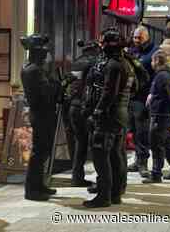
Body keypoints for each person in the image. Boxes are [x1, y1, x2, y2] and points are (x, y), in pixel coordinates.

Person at [83, 28, 135, 208]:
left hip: (108, 115)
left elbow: (108, 93)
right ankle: (115, 193)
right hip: (120, 114)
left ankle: (104, 195)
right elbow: (133, 87)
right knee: (115, 155)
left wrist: (97, 112)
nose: (101, 46)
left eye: (103, 43)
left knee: (101, 155)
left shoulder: (113, 65)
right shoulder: (126, 64)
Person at [20, 34, 59, 201]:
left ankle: (39, 185)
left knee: (43, 152)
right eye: (43, 52)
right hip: (42, 113)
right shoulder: (33, 70)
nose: (46, 55)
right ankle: (32, 190)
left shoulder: (35, 68)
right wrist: (58, 85)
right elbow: (46, 92)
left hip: (43, 113)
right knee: (39, 152)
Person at [143, 50, 170, 183]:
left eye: (153, 61)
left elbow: (169, 96)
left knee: (156, 144)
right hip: (164, 114)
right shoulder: (165, 75)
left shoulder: (162, 76)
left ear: (157, 61)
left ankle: (156, 174)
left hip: (160, 115)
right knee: (166, 143)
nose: (152, 63)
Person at [68, 40, 101, 187]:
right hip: (86, 108)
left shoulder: (76, 62)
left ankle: (77, 177)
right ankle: (102, 179)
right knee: (96, 145)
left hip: (73, 106)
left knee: (79, 144)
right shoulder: (94, 63)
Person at [127, 26, 158, 177]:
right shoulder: (132, 51)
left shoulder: (154, 52)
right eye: (135, 37)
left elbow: (157, 75)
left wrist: (152, 93)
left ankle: (143, 163)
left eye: (140, 38)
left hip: (143, 98)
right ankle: (137, 160)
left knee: (142, 131)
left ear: (147, 37)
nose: (136, 40)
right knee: (132, 130)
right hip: (130, 97)